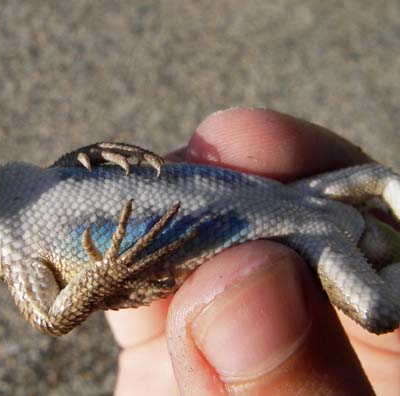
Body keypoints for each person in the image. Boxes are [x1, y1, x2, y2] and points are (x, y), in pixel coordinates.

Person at [107, 108, 399, 396]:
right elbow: (381, 179)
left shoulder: (324, 236)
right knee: (381, 183)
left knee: (377, 312)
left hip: (313, 228)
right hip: (307, 202)